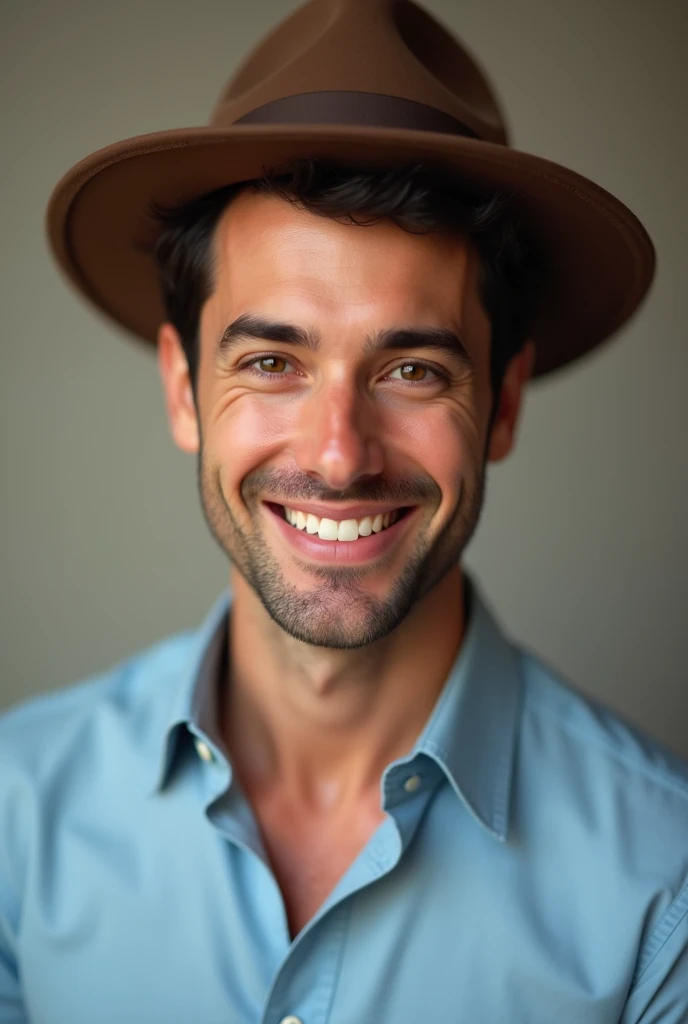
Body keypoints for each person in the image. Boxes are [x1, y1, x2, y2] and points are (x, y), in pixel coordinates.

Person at [2, 0, 687, 1021]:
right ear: (185, 391)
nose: (337, 452)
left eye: (412, 368)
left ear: (499, 402)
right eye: (272, 362)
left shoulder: (662, 884)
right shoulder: (15, 818)